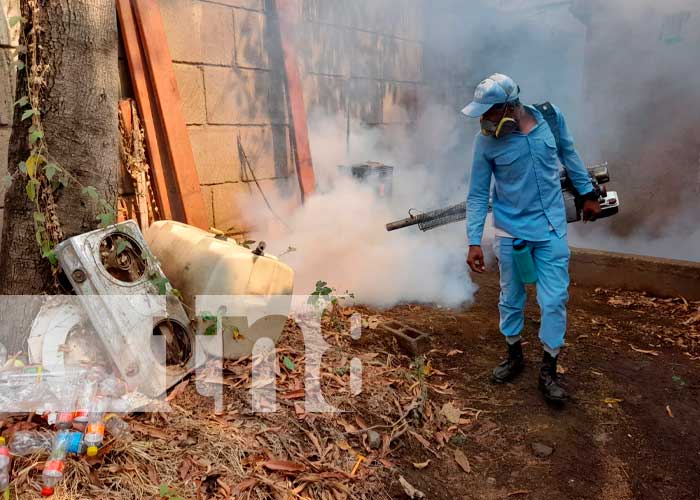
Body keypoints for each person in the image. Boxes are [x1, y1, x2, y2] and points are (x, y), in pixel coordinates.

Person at [462, 73, 601, 403]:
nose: (483, 119)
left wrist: (587, 192)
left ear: (510, 107)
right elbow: (478, 194)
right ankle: (514, 356)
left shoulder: (551, 119)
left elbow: (570, 154)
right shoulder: (485, 142)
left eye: (489, 112)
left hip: (551, 229)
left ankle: (548, 370)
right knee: (511, 297)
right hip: (511, 233)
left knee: (553, 300)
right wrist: (473, 241)